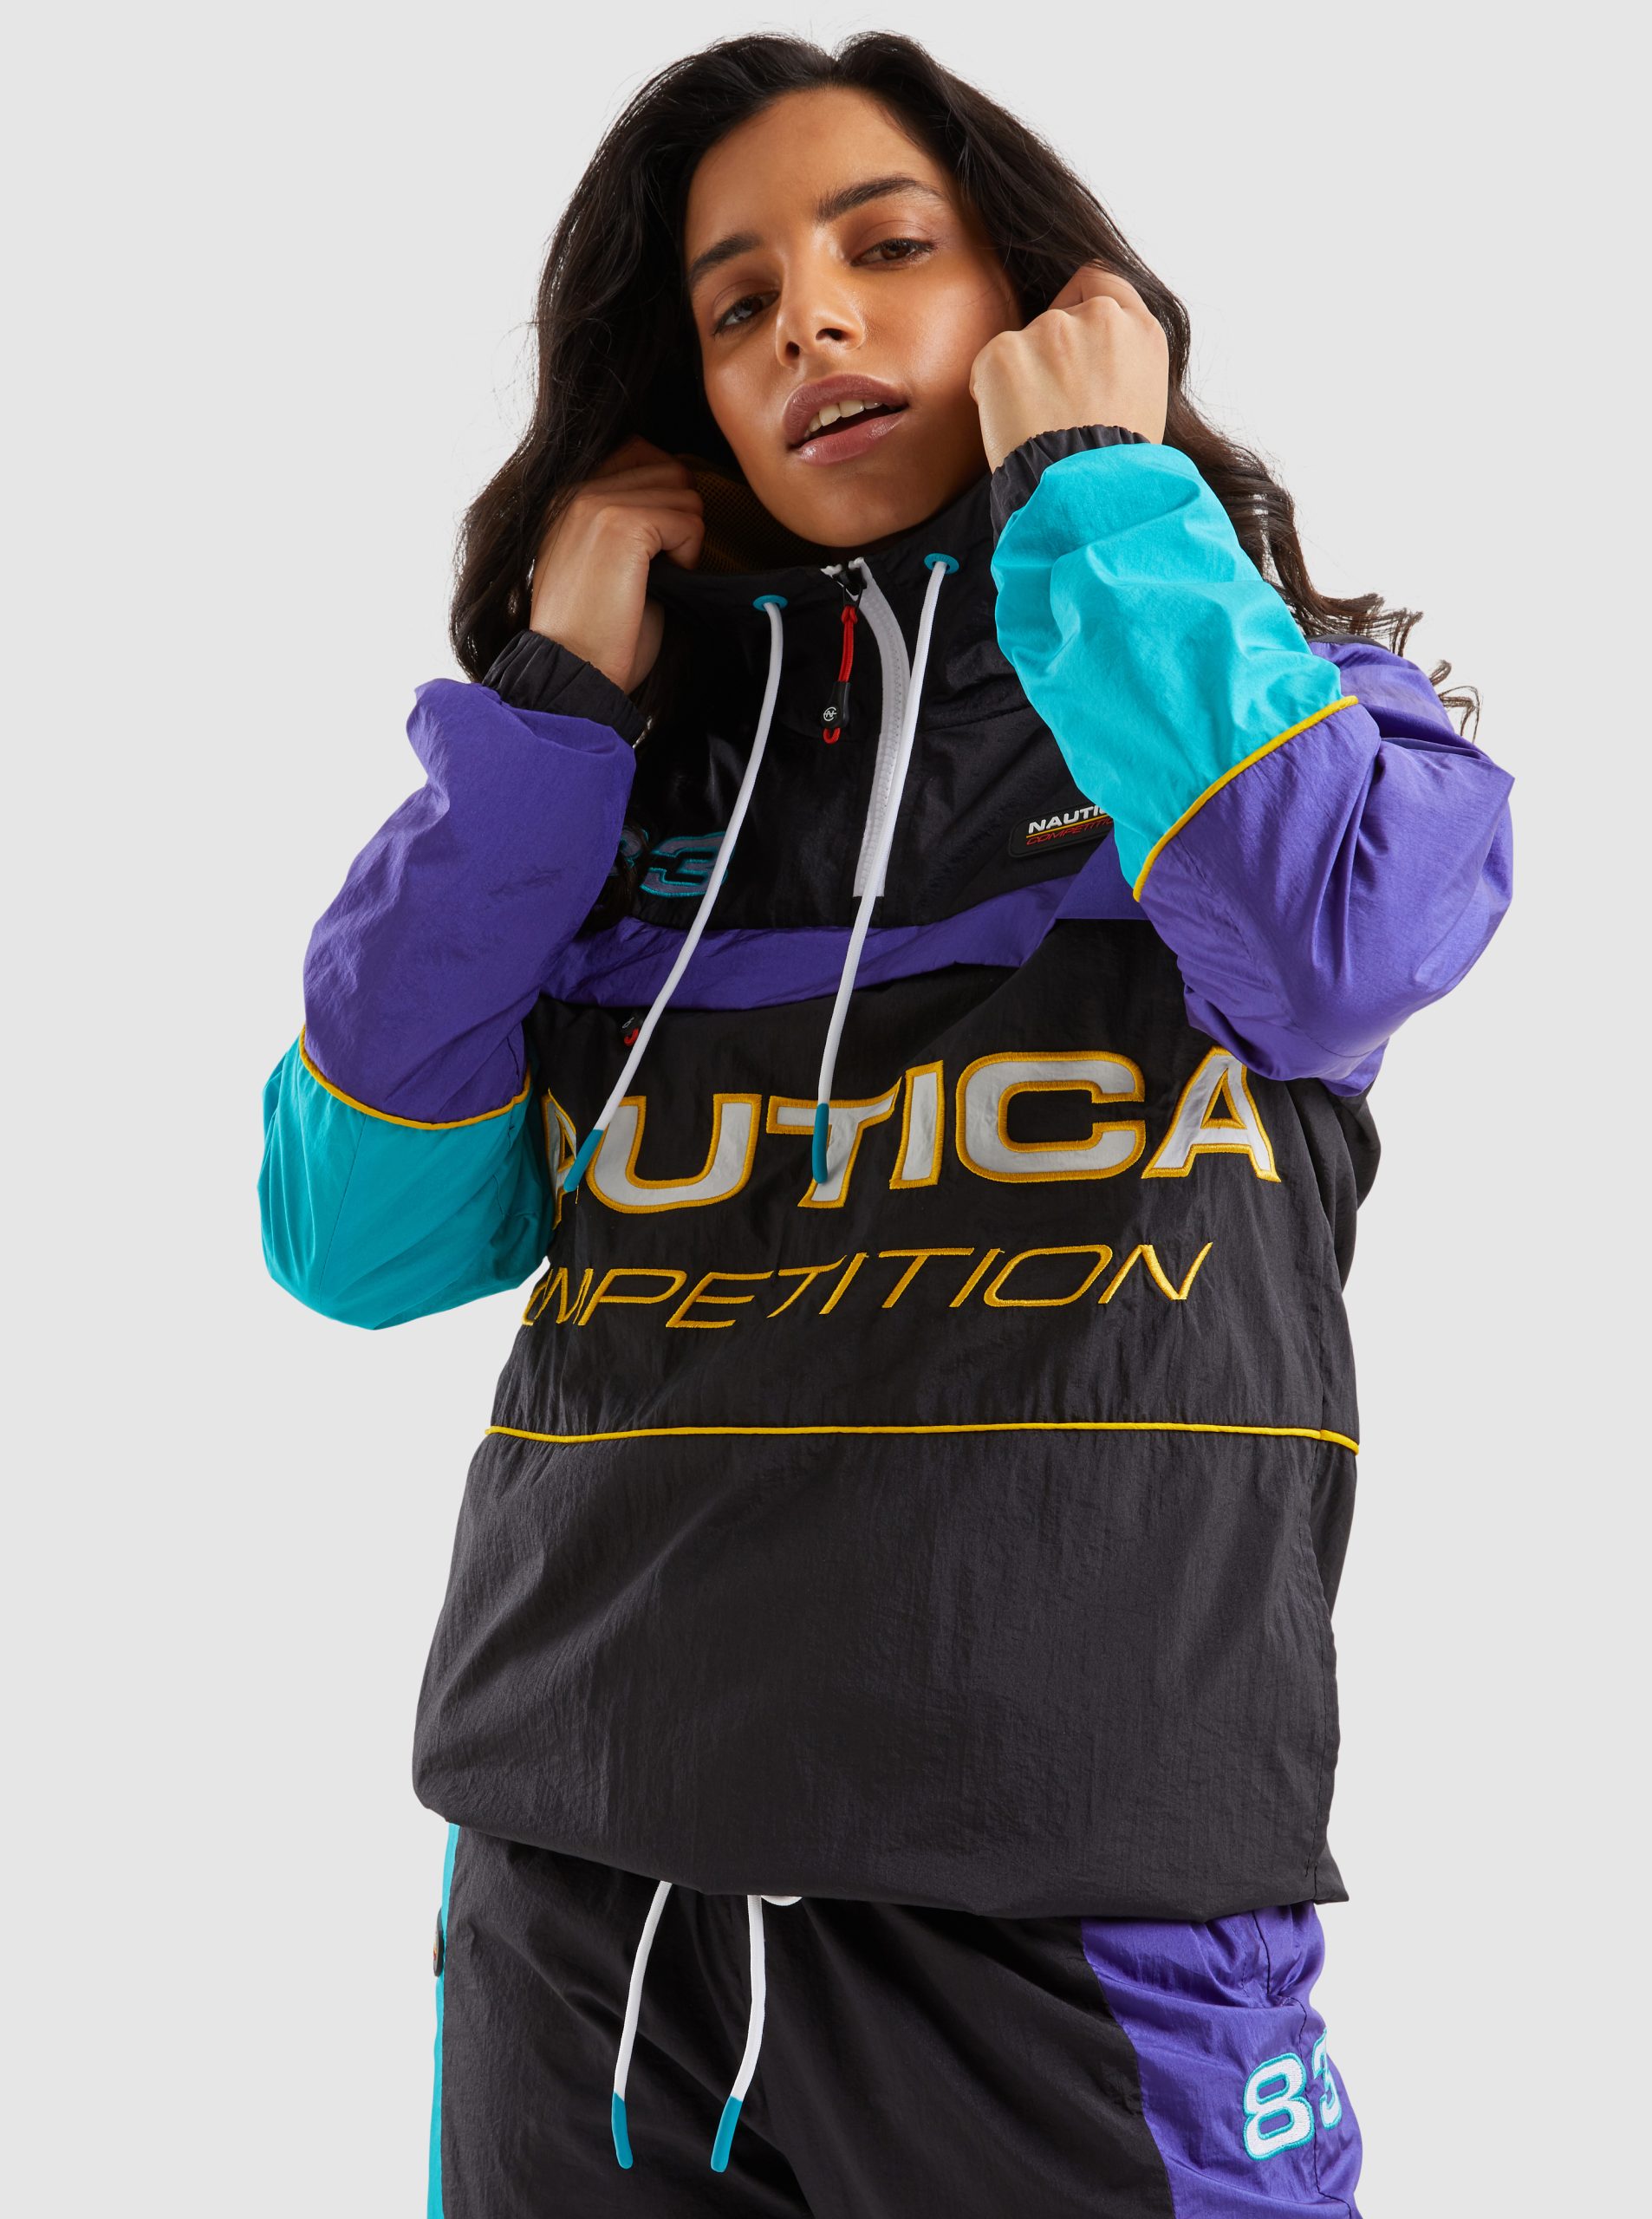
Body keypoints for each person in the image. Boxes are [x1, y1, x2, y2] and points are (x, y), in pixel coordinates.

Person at [259, 31, 1513, 2217]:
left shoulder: (1283, 708)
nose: (807, 325)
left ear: (1039, 296)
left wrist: (1097, 489)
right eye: (735, 304)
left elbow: (1328, 947)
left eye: (885, 249)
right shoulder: (605, 800)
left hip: (1069, 1899)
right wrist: (548, 712)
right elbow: (357, 1233)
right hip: (582, 1905)